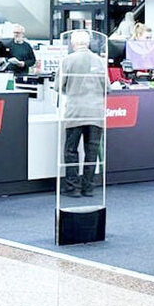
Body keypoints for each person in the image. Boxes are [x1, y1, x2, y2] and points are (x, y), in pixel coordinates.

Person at [58, 31, 107, 197]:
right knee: (91, 151)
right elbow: (107, 88)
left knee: (71, 150)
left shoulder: (67, 61)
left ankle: (72, 187)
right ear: (88, 43)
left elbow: (59, 86)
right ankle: (88, 187)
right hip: (96, 112)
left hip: (75, 111)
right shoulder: (100, 61)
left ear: (73, 44)